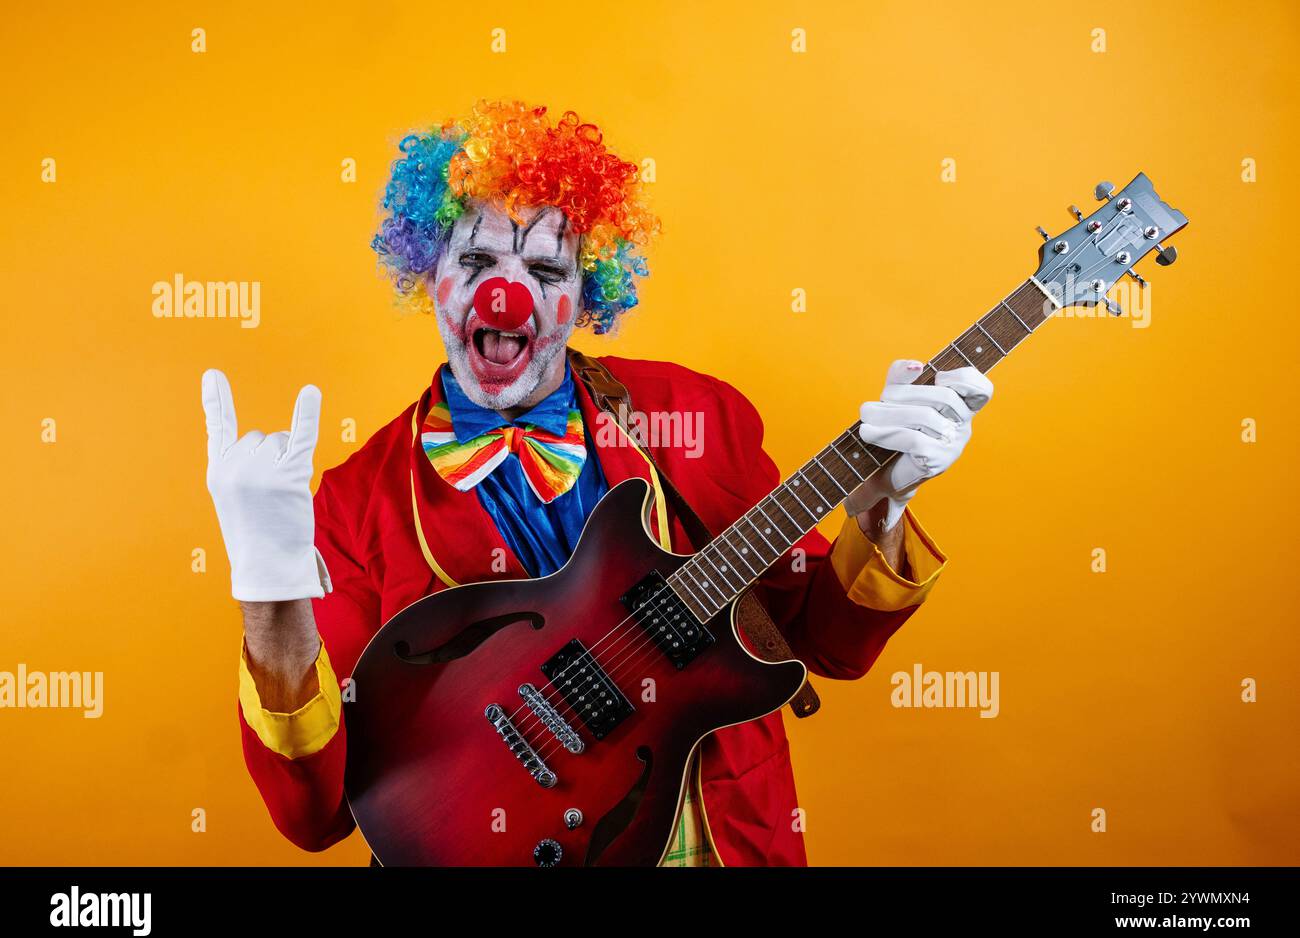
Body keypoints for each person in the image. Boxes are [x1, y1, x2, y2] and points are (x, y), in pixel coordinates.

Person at [201, 100, 994, 866]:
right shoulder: (352, 501)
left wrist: (883, 505)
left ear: (585, 296)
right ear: (429, 274)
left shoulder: (697, 417)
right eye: (475, 260)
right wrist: (268, 591)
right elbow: (315, 816)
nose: (504, 294)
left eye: (546, 269)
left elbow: (823, 643)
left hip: (716, 843)